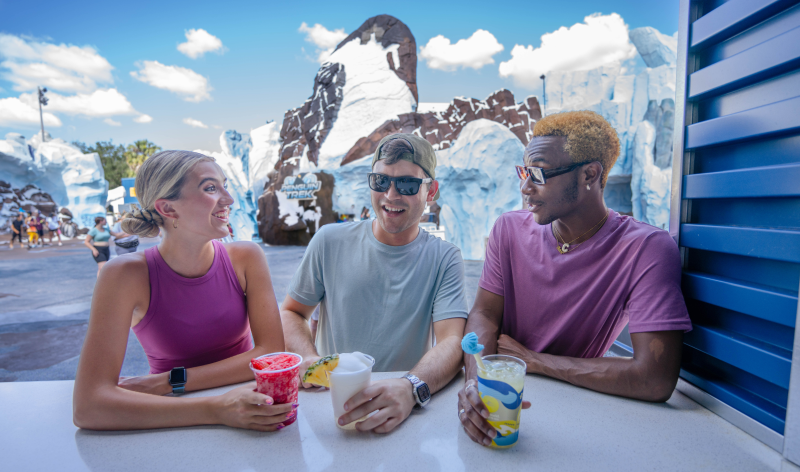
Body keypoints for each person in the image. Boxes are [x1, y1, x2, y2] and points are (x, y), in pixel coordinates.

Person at [457, 111, 693, 447]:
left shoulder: (646, 248)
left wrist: (536, 362)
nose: (525, 187)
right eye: (523, 172)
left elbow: (654, 379)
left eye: (538, 173)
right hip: (502, 398)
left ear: (590, 174)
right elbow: (483, 313)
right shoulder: (507, 229)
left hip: (581, 413)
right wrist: (474, 383)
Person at [73, 150, 289, 432]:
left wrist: (170, 381)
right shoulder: (123, 275)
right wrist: (215, 409)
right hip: (171, 416)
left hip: (247, 405)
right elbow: (88, 406)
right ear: (168, 209)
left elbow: (271, 352)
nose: (229, 199)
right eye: (211, 188)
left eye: (225, 185)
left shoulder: (247, 257)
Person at [281, 133, 468, 434]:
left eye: (407, 185)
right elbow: (293, 312)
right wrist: (308, 358)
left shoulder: (444, 258)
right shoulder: (329, 241)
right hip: (329, 409)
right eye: (381, 182)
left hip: (401, 415)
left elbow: (451, 342)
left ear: (431, 191)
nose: (391, 195)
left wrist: (410, 389)